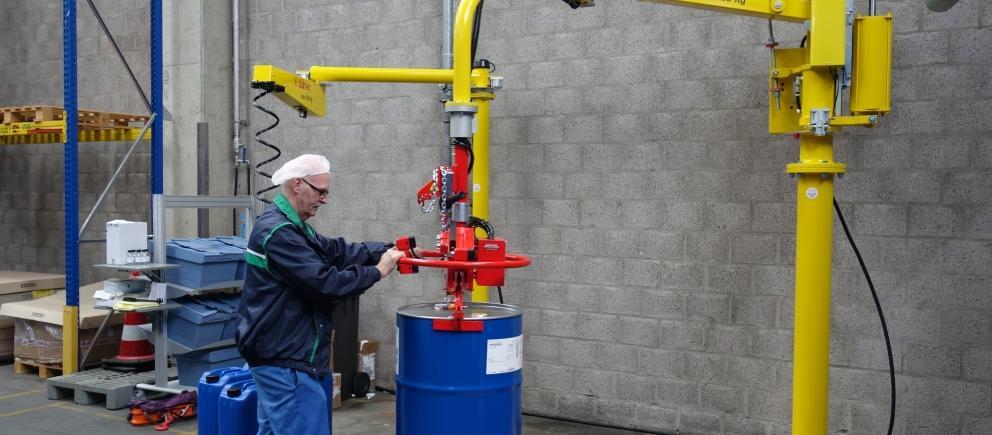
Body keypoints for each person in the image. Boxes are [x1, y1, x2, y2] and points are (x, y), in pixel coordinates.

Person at [236, 154, 406, 434]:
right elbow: (325, 284)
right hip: (285, 359)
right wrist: (378, 270)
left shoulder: (293, 226)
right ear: (298, 184)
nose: (324, 199)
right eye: (321, 191)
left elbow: (337, 251)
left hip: (276, 354)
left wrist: (388, 249)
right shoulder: (279, 233)